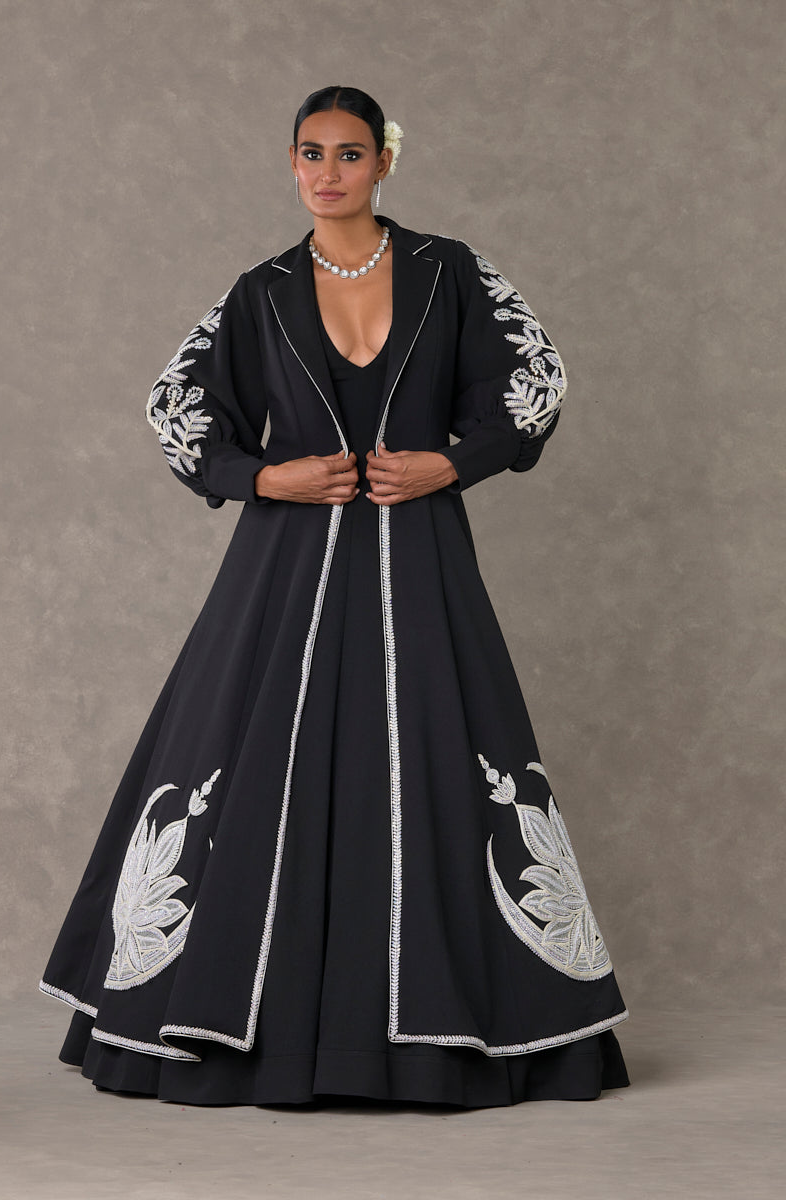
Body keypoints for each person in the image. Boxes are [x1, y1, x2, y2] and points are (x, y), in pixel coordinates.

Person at [39, 85, 631, 1109]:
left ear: (383, 162)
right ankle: (237, 1033)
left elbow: (535, 384)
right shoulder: (261, 290)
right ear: (291, 162)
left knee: (440, 754)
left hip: (419, 558)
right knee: (249, 757)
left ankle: (439, 1036)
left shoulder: (450, 271)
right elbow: (176, 406)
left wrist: (453, 462)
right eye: (310, 153)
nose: (328, 172)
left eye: (349, 153)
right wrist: (263, 478)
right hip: (284, 566)